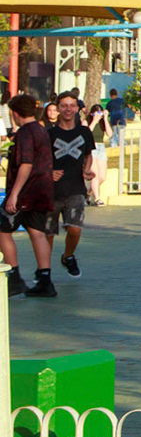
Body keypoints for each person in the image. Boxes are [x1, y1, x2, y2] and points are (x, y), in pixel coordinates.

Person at [3, 93, 56, 297]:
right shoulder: (42, 130)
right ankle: (45, 279)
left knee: (3, 230)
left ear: (15, 113)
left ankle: (14, 277)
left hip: (25, 192)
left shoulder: (24, 133)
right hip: (42, 190)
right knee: (37, 231)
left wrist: (14, 194)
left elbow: (26, 164)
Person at [48, 93, 95, 279]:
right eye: (64, 105)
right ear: (58, 108)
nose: (68, 109)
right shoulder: (50, 134)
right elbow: (40, 159)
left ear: (77, 108)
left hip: (75, 188)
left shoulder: (84, 133)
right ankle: (44, 270)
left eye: (72, 105)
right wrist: (49, 172)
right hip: (52, 190)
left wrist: (87, 169)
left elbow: (88, 154)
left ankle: (68, 256)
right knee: (47, 234)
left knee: (74, 229)